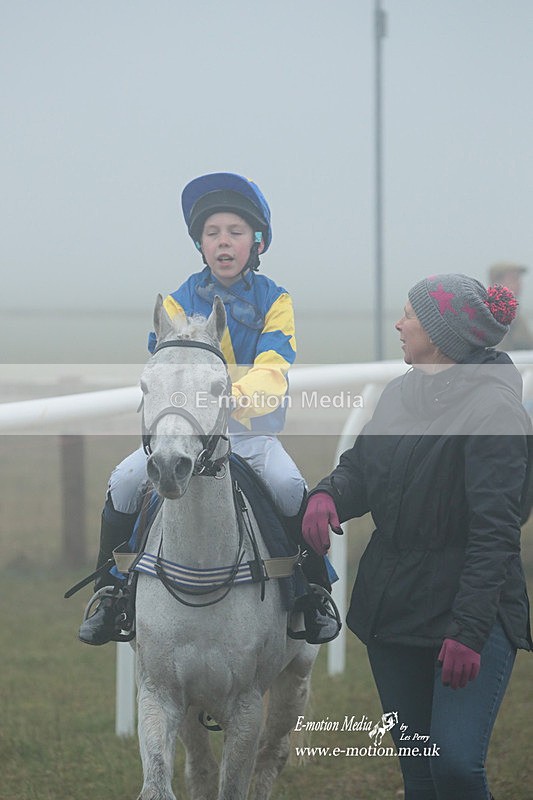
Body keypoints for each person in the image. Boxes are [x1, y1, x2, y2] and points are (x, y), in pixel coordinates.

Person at [79, 171, 340, 646]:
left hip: (249, 434)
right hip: (185, 434)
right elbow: (166, 366)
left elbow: (273, 368)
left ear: (256, 242)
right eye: (212, 234)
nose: (224, 243)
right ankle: (111, 590)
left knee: (288, 486)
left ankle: (312, 591)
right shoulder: (177, 301)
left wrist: (225, 400)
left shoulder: (276, 301)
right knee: (124, 480)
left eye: (235, 233)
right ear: (199, 244)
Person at [302, 273, 532, 800]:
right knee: (420, 774)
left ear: (443, 334)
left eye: (411, 315)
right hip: (397, 604)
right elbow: (364, 467)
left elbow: (495, 535)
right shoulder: (402, 392)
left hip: (469, 609)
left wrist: (470, 631)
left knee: (454, 767)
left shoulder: (494, 412)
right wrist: (328, 495)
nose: (400, 324)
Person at [488, 261, 533, 350]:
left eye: (519, 279)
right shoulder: (489, 313)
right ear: (497, 282)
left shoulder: (518, 314)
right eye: (514, 278)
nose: (519, 284)